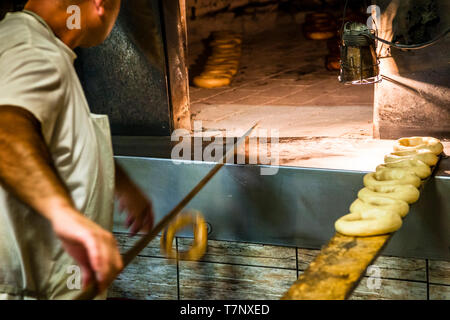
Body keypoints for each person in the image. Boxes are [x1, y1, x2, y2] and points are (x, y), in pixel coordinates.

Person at [0, 0, 155, 299]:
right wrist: (66, 217)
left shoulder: (28, 42)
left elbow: (50, 137)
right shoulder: (32, 48)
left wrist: (121, 184)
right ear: (100, 3)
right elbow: (7, 132)